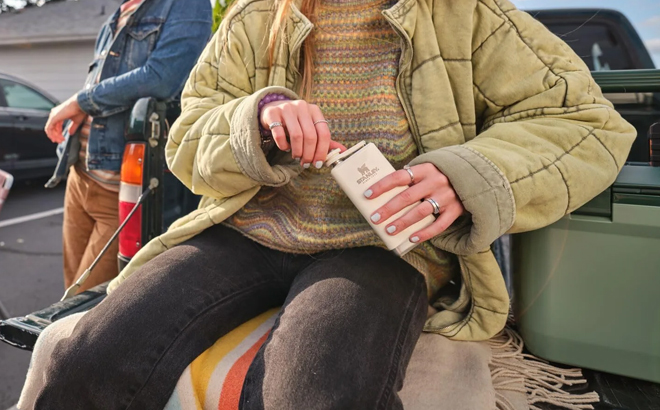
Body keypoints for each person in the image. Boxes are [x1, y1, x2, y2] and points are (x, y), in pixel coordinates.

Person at [30, 0, 636, 408]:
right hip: (243, 231)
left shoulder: (466, 13)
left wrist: (467, 175)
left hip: (383, 249)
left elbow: (588, 123)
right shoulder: (254, 13)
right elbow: (188, 138)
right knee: (88, 358)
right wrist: (255, 121)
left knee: (314, 388)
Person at [43, 0, 212, 293]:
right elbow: (105, 86)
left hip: (120, 187)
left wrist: (79, 101)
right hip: (79, 177)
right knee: (70, 291)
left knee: (89, 301)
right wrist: (83, 105)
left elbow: (161, 79)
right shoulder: (118, 13)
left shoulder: (187, 4)